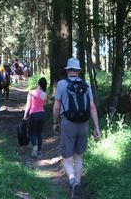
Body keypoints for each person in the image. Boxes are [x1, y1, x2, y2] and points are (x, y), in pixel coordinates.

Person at [53, 58, 101, 198]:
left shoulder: (62, 84)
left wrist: (55, 122)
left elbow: (56, 107)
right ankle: (78, 184)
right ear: (79, 71)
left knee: (67, 157)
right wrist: (97, 128)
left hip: (68, 123)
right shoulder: (86, 85)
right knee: (78, 156)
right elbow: (92, 107)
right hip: (84, 124)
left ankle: (73, 181)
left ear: (68, 70)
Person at [23, 77, 48, 158]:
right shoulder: (45, 94)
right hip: (42, 114)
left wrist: (25, 115)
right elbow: (44, 105)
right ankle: (39, 152)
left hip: (33, 114)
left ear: (38, 84)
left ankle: (34, 146)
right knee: (39, 133)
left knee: (32, 132)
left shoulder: (31, 93)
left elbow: (28, 105)